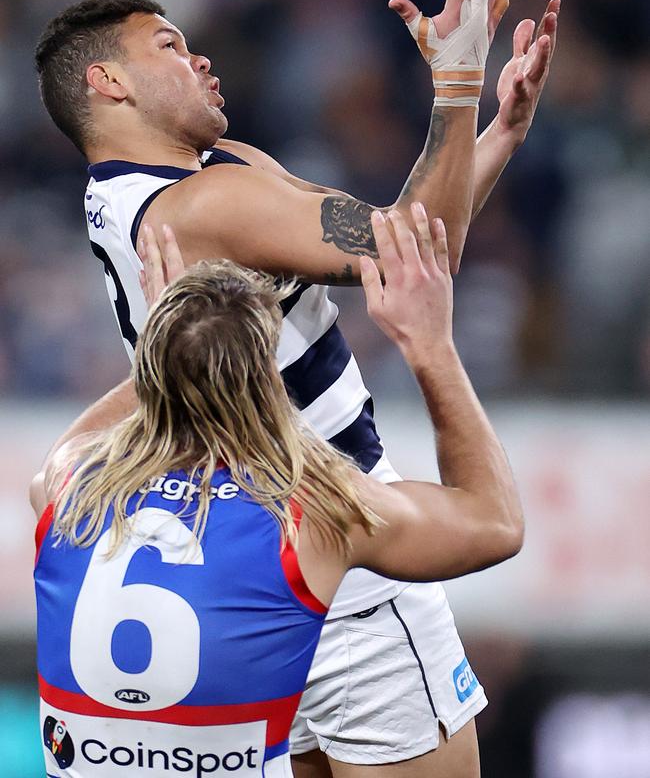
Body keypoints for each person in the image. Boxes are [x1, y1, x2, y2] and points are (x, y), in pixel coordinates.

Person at [35, 0, 559, 777]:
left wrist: (495, 136)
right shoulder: (210, 201)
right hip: (344, 562)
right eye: (168, 45)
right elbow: (417, 249)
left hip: (247, 588)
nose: (198, 54)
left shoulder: (144, 191)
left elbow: (409, 234)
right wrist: (456, 88)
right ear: (110, 84)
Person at [33, 210, 523, 778]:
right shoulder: (310, 513)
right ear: (268, 380)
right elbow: (496, 524)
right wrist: (431, 346)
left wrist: (176, 337)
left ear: (151, 369)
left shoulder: (67, 487)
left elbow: (74, 447)